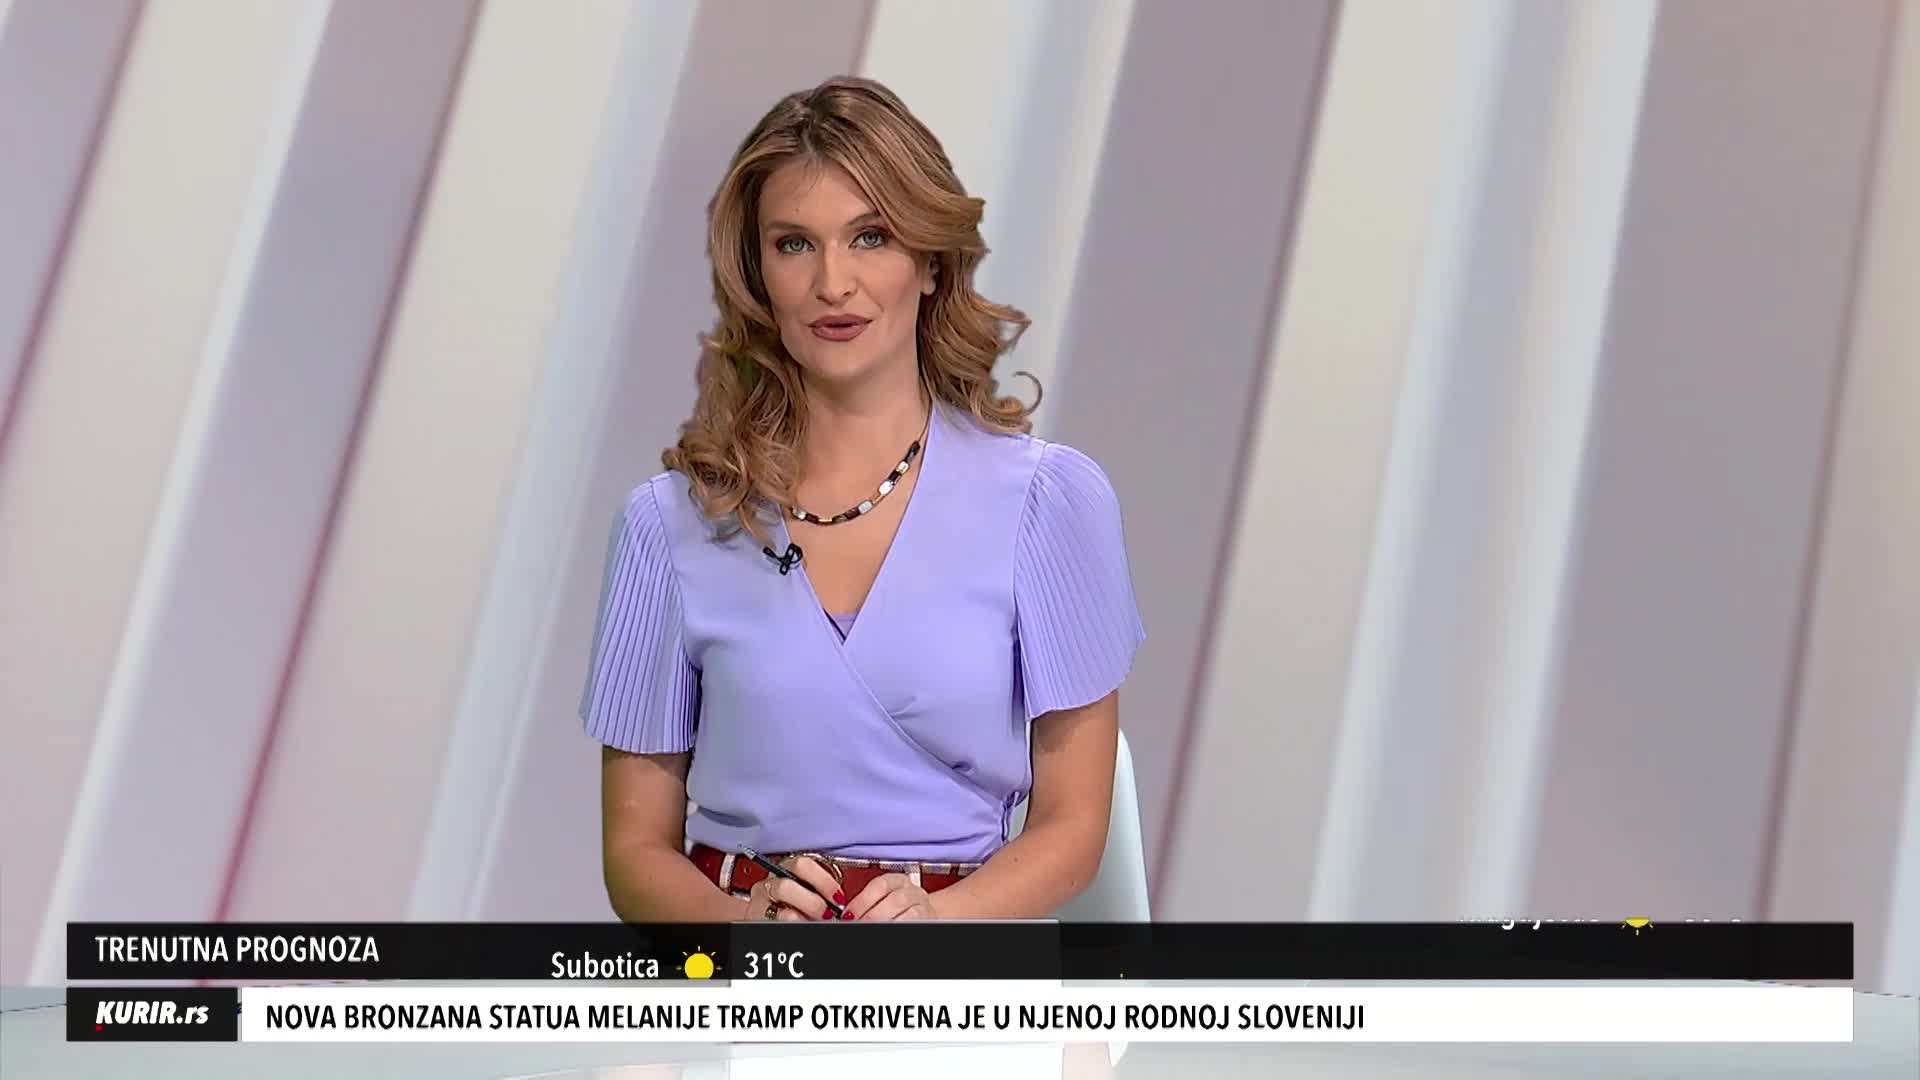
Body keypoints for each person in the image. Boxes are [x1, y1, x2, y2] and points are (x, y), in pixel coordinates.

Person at [578, 76, 1143, 922]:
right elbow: (634, 853)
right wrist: (745, 934)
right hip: (742, 963)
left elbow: (1074, 828)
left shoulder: (1050, 503)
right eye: (794, 245)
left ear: (931, 262)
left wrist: (937, 928)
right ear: (757, 274)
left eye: (870, 236)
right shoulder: (667, 527)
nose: (833, 282)